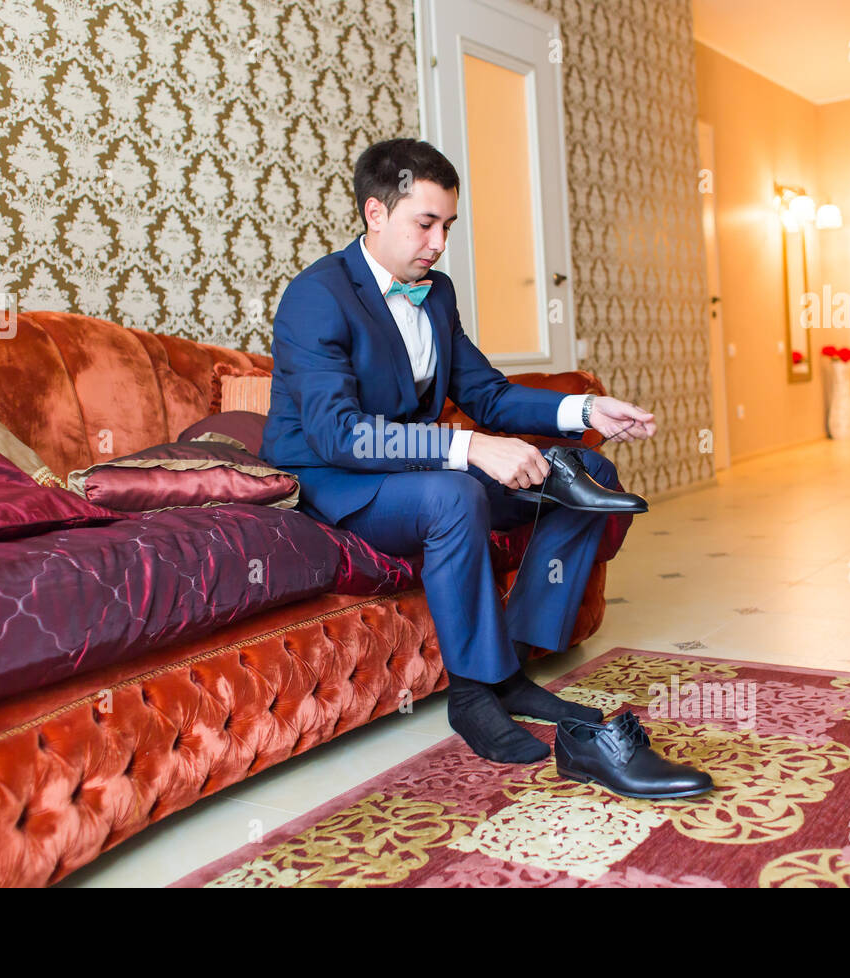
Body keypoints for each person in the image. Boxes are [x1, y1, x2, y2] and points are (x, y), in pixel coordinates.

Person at [260, 138, 657, 764]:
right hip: (335, 479)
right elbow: (341, 434)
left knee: (588, 472)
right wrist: (469, 447)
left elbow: (487, 393)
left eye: (447, 226)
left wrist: (583, 412)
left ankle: (513, 669)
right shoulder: (318, 296)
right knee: (456, 491)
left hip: (414, 466)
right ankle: (473, 694)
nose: (439, 243)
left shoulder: (436, 293)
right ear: (375, 213)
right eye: (426, 224)